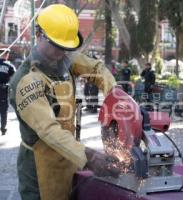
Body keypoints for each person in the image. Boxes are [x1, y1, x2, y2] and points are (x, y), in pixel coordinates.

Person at [9, 4, 120, 200]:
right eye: (57, 46)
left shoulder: (63, 60)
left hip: (69, 156)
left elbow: (96, 69)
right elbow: (48, 130)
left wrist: (116, 97)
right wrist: (91, 157)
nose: (62, 53)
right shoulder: (26, 80)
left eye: (66, 47)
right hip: (40, 167)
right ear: (38, 34)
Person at [0, 48, 15, 135]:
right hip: (3, 90)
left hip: (3, 89)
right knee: (3, 109)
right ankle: (3, 128)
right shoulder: (9, 66)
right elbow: (15, 77)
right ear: (6, 55)